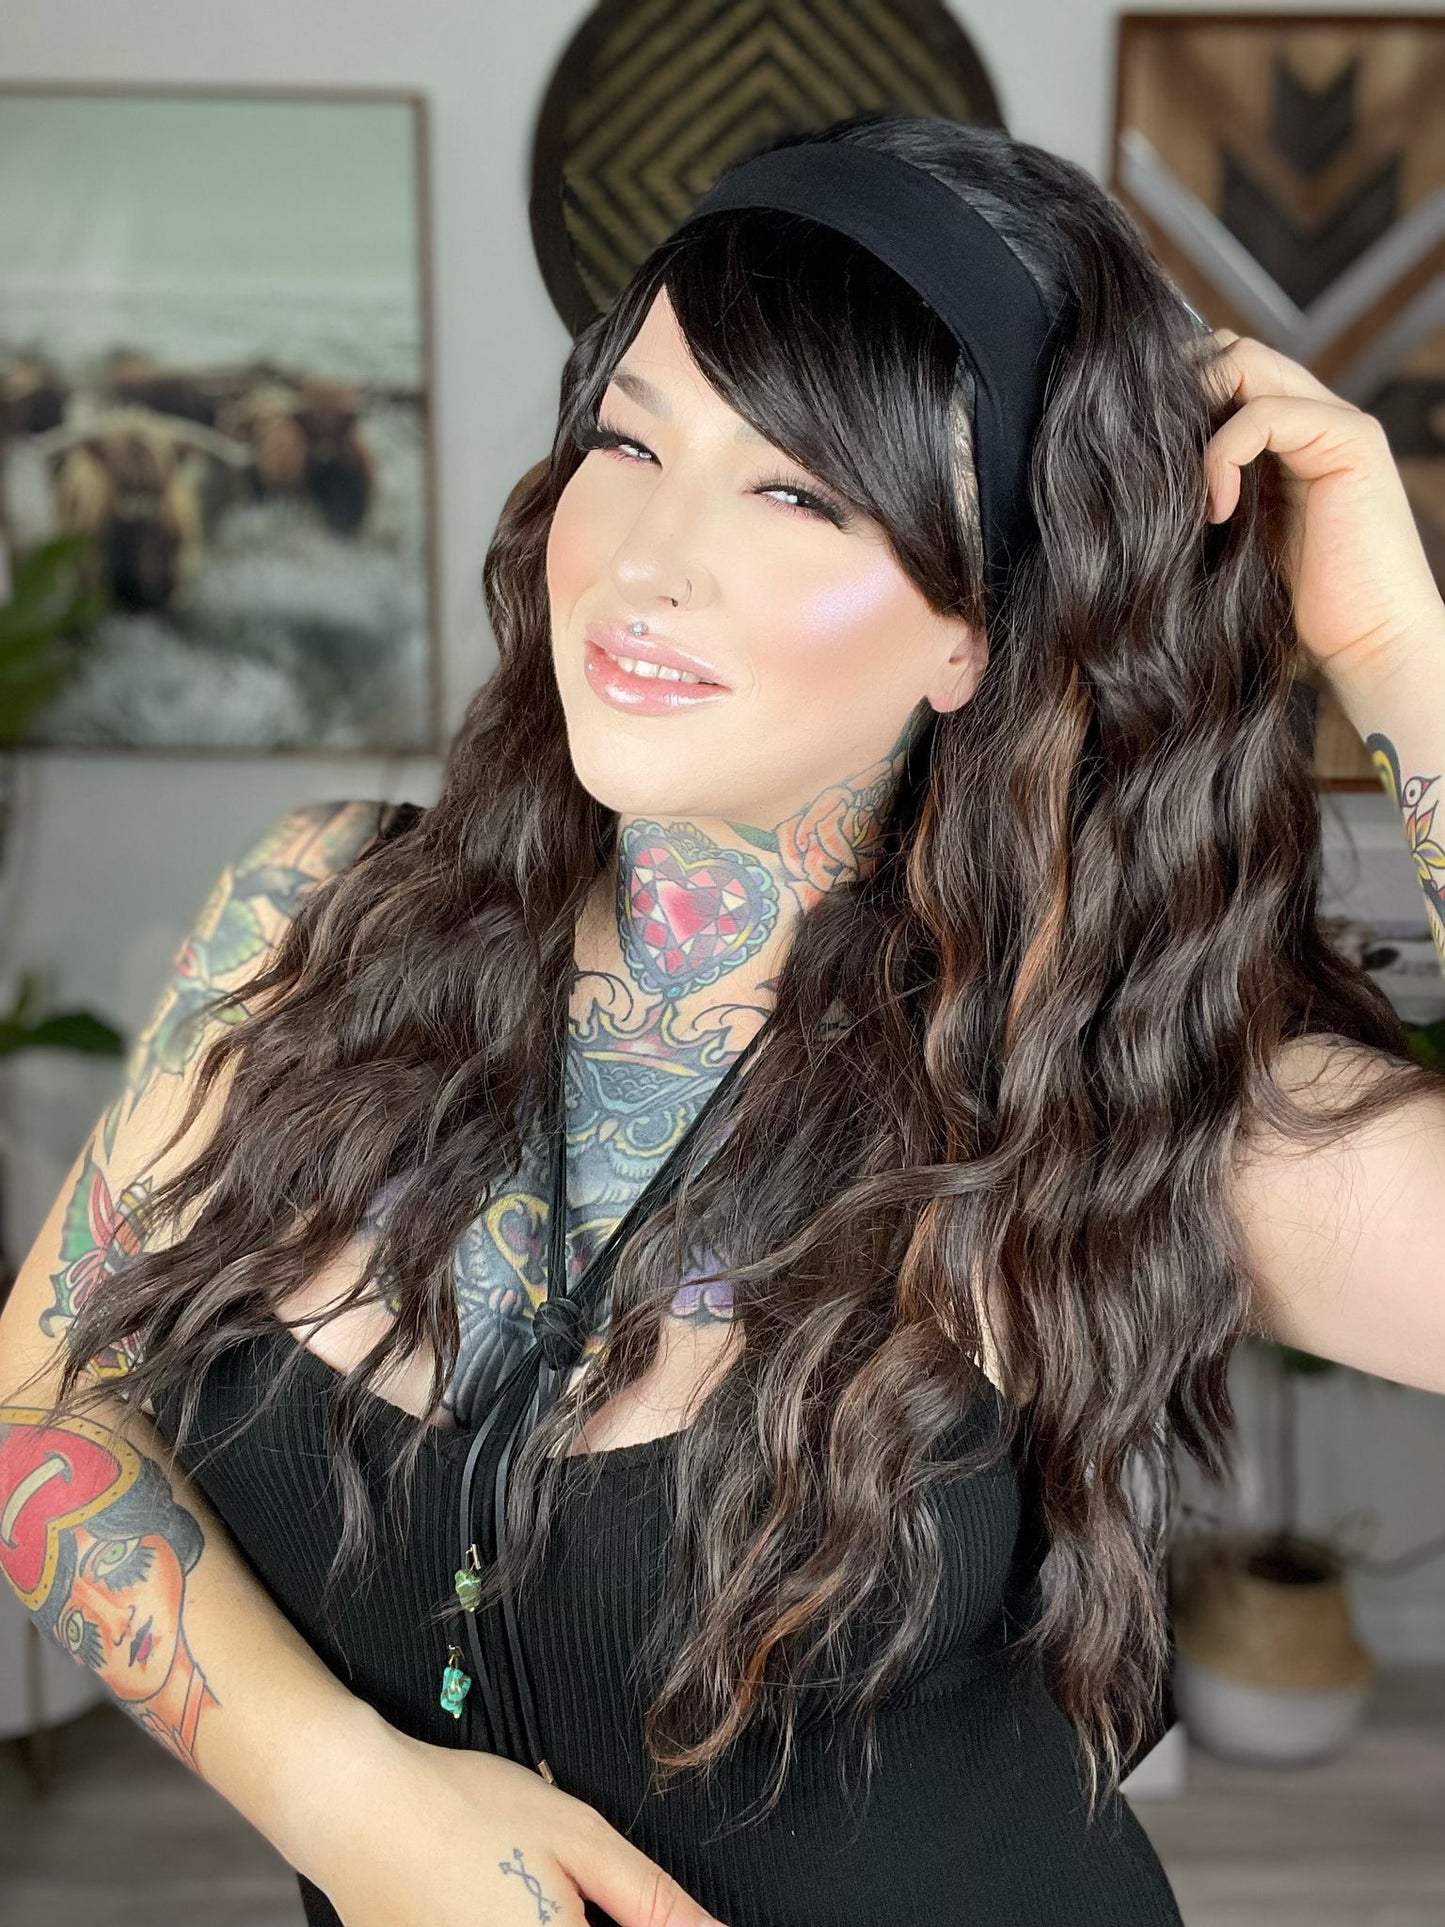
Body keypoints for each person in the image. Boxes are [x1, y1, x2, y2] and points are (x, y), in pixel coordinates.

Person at [4, 110, 1444, 1927]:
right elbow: (47, 1394)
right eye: (629, 443)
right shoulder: (316, 922)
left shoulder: (1083, 1090)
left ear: (978, 628)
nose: (646, 560)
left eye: (797, 494)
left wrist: (1399, 649)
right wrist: (342, 1796)